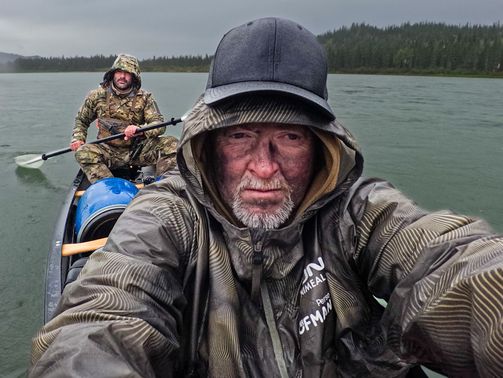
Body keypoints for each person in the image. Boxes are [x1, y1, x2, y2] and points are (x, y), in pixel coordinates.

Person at [30, 18, 502, 377]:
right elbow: (103, 315)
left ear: (322, 149)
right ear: (210, 145)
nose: (264, 167)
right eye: (241, 137)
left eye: (291, 138)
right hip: (110, 153)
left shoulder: (359, 213)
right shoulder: (167, 216)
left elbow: (451, 264)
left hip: (144, 147)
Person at [69, 53, 178, 183]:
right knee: (82, 152)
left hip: (137, 151)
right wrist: (78, 138)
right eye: (119, 72)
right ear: (113, 73)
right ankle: (109, 187)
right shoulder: (96, 95)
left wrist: (140, 129)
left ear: (134, 76)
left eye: (127, 73)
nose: (122, 76)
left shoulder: (145, 97)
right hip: (107, 151)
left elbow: (159, 124)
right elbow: (82, 120)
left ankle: (164, 186)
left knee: (173, 144)